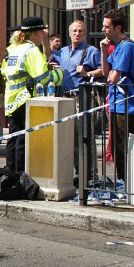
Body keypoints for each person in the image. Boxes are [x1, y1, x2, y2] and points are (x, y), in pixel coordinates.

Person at [2, 17, 63, 173]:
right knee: (24, 139)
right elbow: (43, 78)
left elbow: (6, 72)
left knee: (13, 138)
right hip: (25, 98)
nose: (44, 34)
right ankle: (21, 176)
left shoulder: (12, 49)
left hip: (12, 99)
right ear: (35, 34)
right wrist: (59, 74)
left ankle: (11, 173)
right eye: (42, 31)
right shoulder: (31, 50)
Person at [55, 20, 102, 182]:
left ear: (85, 33)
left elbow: (103, 70)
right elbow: (48, 56)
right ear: (69, 34)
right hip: (65, 97)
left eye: (80, 31)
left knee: (86, 135)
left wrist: (87, 73)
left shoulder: (92, 51)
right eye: (74, 31)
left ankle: (91, 175)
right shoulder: (63, 51)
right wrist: (45, 38)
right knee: (72, 138)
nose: (77, 34)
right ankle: (79, 172)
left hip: (82, 97)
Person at [100, 9, 134, 182]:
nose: (103, 30)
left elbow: (114, 77)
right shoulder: (116, 48)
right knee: (116, 145)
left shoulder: (127, 47)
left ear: (118, 28)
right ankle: (124, 179)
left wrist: (110, 76)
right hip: (117, 102)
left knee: (123, 145)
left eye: (106, 26)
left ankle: (128, 180)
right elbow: (105, 72)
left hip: (126, 104)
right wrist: (103, 51)